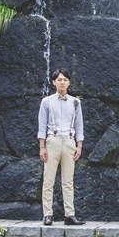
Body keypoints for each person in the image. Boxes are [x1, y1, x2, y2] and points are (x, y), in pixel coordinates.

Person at [38, 68, 85, 226]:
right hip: (53, 140)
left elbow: (79, 126)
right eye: (59, 79)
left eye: (65, 79)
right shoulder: (47, 101)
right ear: (53, 82)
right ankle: (47, 214)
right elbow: (42, 125)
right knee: (48, 179)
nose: (62, 82)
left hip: (70, 141)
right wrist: (42, 146)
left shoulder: (75, 102)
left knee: (68, 180)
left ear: (69, 82)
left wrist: (79, 146)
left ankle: (69, 214)